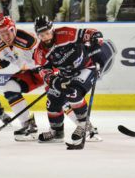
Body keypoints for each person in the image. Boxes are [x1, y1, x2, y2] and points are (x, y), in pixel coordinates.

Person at [33, 16, 107, 144]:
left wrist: (96, 40)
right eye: (42, 35)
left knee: (73, 93)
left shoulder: (65, 33)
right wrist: (57, 82)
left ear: (52, 29)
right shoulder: (40, 52)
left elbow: (90, 33)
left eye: (48, 33)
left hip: (86, 68)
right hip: (65, 74)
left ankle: (84, 127)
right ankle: (57, 132)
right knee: (52, 98)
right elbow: (45, 72)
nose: (46, 37)